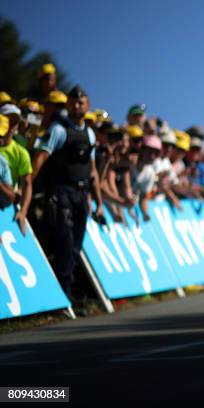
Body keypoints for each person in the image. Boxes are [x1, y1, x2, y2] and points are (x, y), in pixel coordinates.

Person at [31, 85, 105, 303]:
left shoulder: (90, 133)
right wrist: (25, 188)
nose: (78, 104)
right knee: (64, 245)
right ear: (68, 104)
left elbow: (92, 172)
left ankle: (69, 292)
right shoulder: (58, 130)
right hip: (61, 193)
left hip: (81, 195)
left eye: (82, 101)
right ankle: (64, 296)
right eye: (73, 101)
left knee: (75, 247)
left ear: (88, 105)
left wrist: (98, 202)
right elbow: (40, 159)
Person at [0, 106, 33, 235]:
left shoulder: (21, 153)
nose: (12, 125)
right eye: (9, 120)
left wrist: (23, 211)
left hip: (6, 201)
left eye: (15, 122)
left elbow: (27, 184)